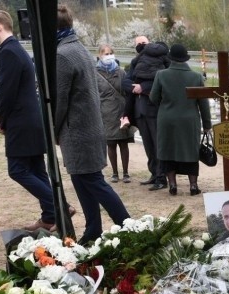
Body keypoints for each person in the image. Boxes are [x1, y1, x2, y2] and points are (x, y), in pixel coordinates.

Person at [0, 9, 67, 232]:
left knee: (18, 170)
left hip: (21, 121)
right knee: (36, 170)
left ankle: (60, 206)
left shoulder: (9, 52)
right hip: (31, 119)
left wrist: (2, 121)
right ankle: (50, 216)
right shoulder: (17, 49)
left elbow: (7, 92)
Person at [56, 4, 130, 244]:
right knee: (81, 179)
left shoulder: (62, 55)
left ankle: (128, 225)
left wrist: (52, 130)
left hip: (77, 130)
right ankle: (93, 228)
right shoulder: (78, 48)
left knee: (92, 181)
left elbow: (60, 101)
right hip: (89, 127)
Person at [150, 44, 212, 196]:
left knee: (168, 151)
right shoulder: (196, 77)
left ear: (170, 58)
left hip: (167, 119)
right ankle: (193, 185)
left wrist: (165, 105)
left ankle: (172, 184)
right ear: (186, 59)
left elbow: (153, 97)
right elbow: (203, 103)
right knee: (191, 152)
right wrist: (207, 125)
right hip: (189, 120)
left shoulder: (161, 75)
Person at [123, 36, 170, 190]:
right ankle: (154, 173)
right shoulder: (135, 62)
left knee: (158, 145)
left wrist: (142, 87)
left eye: (144, 43)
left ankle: (162, 176)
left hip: (154, 109)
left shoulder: (161, 60)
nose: (142, 46)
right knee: (148, 146)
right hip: (140, 111)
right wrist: (134, 87)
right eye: (139, 44)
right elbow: (125, 81)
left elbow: (163, 79)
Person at [95, 44, 134, 184]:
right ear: (99, 55)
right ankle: (115, 173)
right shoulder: (95, 73)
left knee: (123, 143)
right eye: (105, 53)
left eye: (110, 53)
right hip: (105, 113)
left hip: (120, 111)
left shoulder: (121, 72)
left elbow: (127, 91)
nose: (108, 55)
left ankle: (126, 172)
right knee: (110, 144)